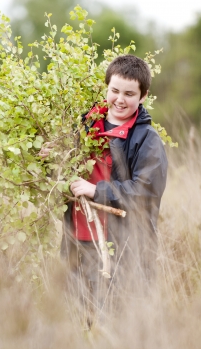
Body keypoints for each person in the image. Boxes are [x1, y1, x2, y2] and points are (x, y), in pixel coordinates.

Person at [53, 54, 168, 318]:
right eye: (114, 90)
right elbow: (62, 183)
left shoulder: (147, 140)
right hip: (77, 244)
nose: (120, 99)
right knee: (76, 324)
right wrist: (52, 159)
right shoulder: (82, 128)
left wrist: (97, 191)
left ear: (143, 96)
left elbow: (146, 193)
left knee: (118, 324)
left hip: (124, 249)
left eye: (129, 93)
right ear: (106, 88)